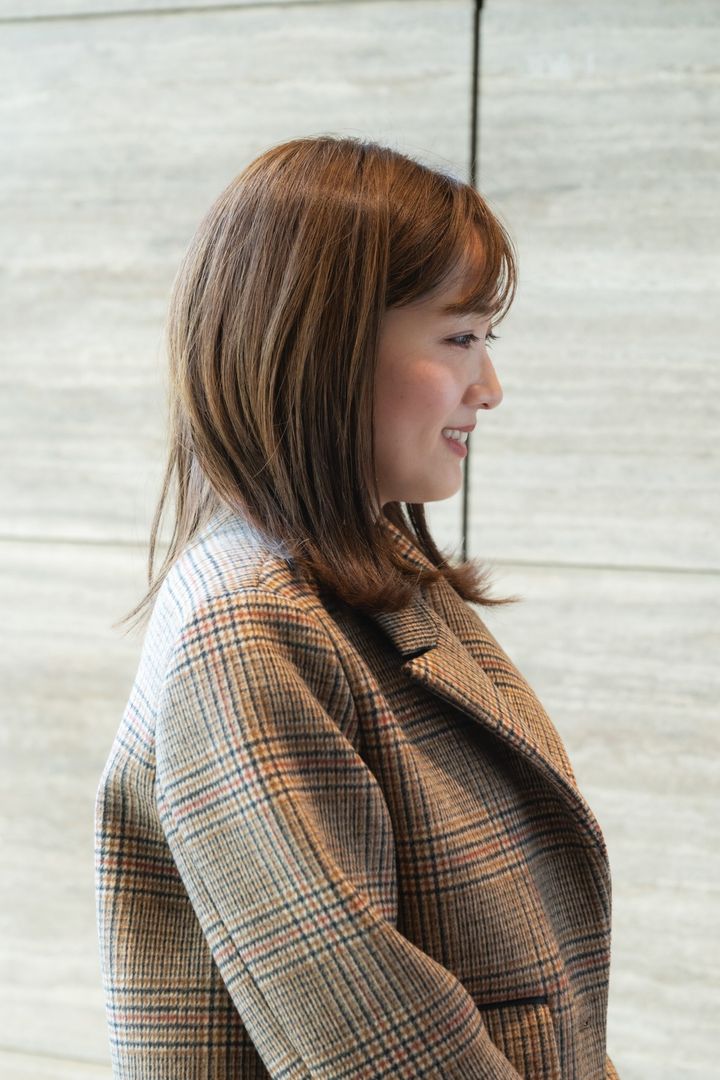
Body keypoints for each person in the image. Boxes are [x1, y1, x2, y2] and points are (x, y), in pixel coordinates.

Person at [94, 135, 620, 1079]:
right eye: (459, 339)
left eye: (487, 341)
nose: (490, 389)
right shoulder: (247, 624)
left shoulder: (368, 577)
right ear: (322, 350)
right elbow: (378, 1049)